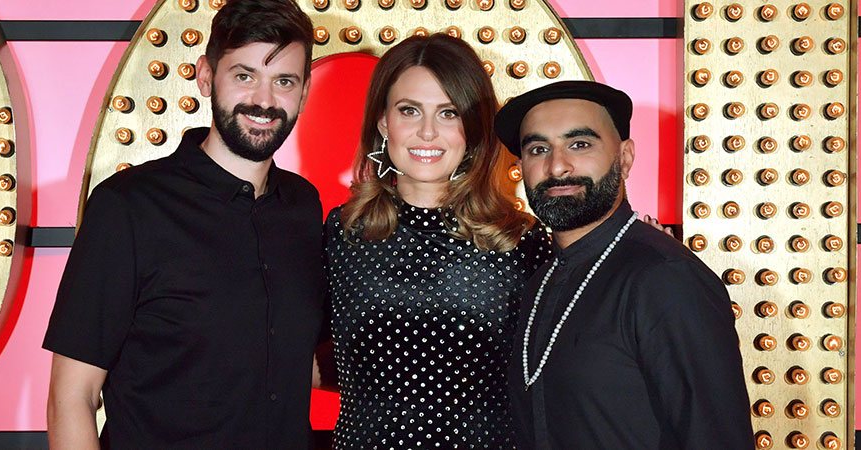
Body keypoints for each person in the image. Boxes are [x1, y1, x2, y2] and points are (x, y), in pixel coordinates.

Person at [42, 0, 325, 447]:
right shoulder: (128, 208)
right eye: (244, 75)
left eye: (284, 81)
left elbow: (301, 361)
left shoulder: (305, 207)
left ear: (305, 91)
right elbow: (71, 397)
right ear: (207, 75)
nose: (265, 101)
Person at [494, 80, 753, 449]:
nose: (557, 166)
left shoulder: (664, 277)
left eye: (579, 144)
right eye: (538, 149)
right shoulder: (541, 281)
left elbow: (717, 437)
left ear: (625, 157)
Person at [323, 34, 553, 448]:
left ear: (473, 127)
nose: (427, 132)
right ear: (382, 122)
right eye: (409, 110)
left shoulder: (522, 242)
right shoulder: (342, 234)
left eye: (448, 113)